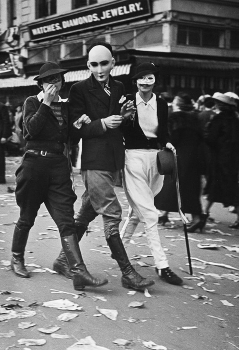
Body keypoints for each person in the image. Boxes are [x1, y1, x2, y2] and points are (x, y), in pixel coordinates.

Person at [53, 42, 155, 291]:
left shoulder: (119, 86)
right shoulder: (79, 89)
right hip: (93, 161)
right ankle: (128, 273)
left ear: (112, 63)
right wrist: (102, 123)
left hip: (113, 159)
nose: (100, 69)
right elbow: (77, 128)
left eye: (104, 63)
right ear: (88, 65)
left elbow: (122, 127)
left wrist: (126, 117)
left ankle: (61, 260)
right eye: (94, 64)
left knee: (87, 212)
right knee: (111, 213)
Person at [11, 61, 108, 291]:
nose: (54, 84)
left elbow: (68, 139)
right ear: (42, 84)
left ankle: (77, 270)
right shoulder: (32, 102)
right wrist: (45, 102)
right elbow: (30, 131)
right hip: (34, 165)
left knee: (66, 220)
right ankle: (17, 258)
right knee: (27, 217)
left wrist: (79, 125)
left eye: (58, 80)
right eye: (49, 81)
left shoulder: (65, 106)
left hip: (57, 167)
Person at [120, 63, 182, 286]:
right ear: (135, 80)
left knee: (138, 212)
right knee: (150, 213)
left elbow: (162, 130)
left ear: (155, 80)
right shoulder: (127, 100)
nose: (146, 82)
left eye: (150, 78)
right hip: (133, 157)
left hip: (155, 158)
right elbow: (121, 129)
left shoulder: (162, 103)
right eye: (142, 78)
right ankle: (162, 265)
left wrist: (168, 143)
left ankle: (118, 249)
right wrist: (125, 115)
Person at [154, 92, 207, 233]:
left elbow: (174, 137)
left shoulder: (175, 117)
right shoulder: (195, 117)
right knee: (190, 188)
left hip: (179, 156)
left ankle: (166, 214)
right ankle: (195, 218)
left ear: (178, 104)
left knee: (172, 186)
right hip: (194, 157)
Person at [203, 92, 239, 229]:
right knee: (232, 187)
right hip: (233, 158)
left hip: (219, 157)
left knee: (214, 185)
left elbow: (210, 138)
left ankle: (205, 212)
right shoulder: (236, 120)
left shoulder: (218, 119)